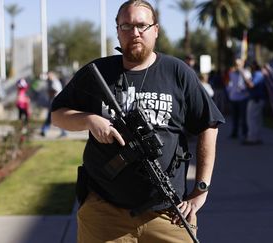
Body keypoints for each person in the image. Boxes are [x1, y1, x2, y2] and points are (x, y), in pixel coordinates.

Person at [51, 1, 225, 242]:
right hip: (104, 213)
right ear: (118, 30)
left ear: (156, 29)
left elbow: (209, 124)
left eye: (142, 25)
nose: (135, 33)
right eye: (127, 26)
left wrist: (201, 189)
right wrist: (89, 120)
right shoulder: (98, 73)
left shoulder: (177, 72)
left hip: (169, 213)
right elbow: (58, 115)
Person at [242, 61, 266, 145]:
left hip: (256, 99)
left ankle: (252, 138)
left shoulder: (258, 74)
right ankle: (257, 137)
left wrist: (244, 77)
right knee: (257, 120)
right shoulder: (258, 74)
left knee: (251, 119)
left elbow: (251, 85)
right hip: (258, 99)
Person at [226, 58, 250, 139]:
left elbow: (248, 83)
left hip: (243, 97)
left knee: (243, 117)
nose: (237, 66)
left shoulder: (246, 72)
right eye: (236, 64)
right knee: (234, 117)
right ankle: (235, 132)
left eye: (239, 64)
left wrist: (242, 72)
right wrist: (229, 90)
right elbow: (229, 84)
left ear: (242, 64)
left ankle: (244, 133)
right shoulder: (232, 73)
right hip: (234, 97)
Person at [40, 71, 66, 137]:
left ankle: (44, 130)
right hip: (54, 101)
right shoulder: (52, 81)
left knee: (54, 117)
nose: (47, 77)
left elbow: (55, 91)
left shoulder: (54, 82)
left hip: (55, 102)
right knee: (52, 117)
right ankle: (44, 130)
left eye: (48, 76)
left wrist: (50, 93)